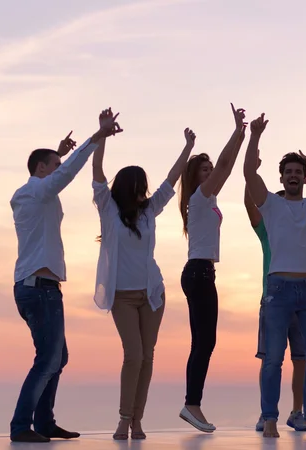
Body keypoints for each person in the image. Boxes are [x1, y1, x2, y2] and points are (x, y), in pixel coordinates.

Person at [9, 109, 122, 443]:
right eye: (53, 166)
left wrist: (60, 152)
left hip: (39, 287)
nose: (58, 171)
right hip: (39, 289)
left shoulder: (33, 193)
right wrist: (97, 136)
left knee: (57, 357)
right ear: (41, 170)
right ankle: (21, 426)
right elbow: (65, 175)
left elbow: (56, 174)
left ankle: (44, 423)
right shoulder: (34, 192)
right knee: (48, 358)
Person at [91, 112, 197, 440]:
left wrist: (188, 147)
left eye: (145, 188)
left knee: (147, 356)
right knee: (133, 354)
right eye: (139, 188)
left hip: (152, 293)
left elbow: (172, 179)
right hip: (122, 296)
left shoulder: (150, 211)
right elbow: (97, 174)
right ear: (128, 188)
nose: (144, 192)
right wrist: (102, 135)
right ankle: (124, 418)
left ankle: (138, 420)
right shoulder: (108, 209)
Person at [243, 113, 306, 438]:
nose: (294, 176)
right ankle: (269, 417)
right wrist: (254, 135)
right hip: (278, 290)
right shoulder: (270, 205)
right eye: (288, 172)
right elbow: (248, 174)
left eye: (298, 173)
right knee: (273, 358)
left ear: (303, 178)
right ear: (282, 177)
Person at [178, 104, 247, 432]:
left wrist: (242, 135)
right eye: (203, 169)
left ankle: (193, 403)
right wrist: (236, 131)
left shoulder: (206, 199)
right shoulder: (201, 196)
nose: (210, 172)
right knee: (204, 342)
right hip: (198, 273)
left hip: (201, 273)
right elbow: (224, 166)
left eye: (209, 169)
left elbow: (226, 167)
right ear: (196, 176)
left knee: (204, 341)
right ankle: (192, 404)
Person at [244, 150, 306, 433]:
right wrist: (252, 171)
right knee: (271, 358)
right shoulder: (266, 227)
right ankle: (267, 415)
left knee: (302, 357)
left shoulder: (302, 216)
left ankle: (297, 412)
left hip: (304, 295)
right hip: (274, 297)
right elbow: (250, 201)